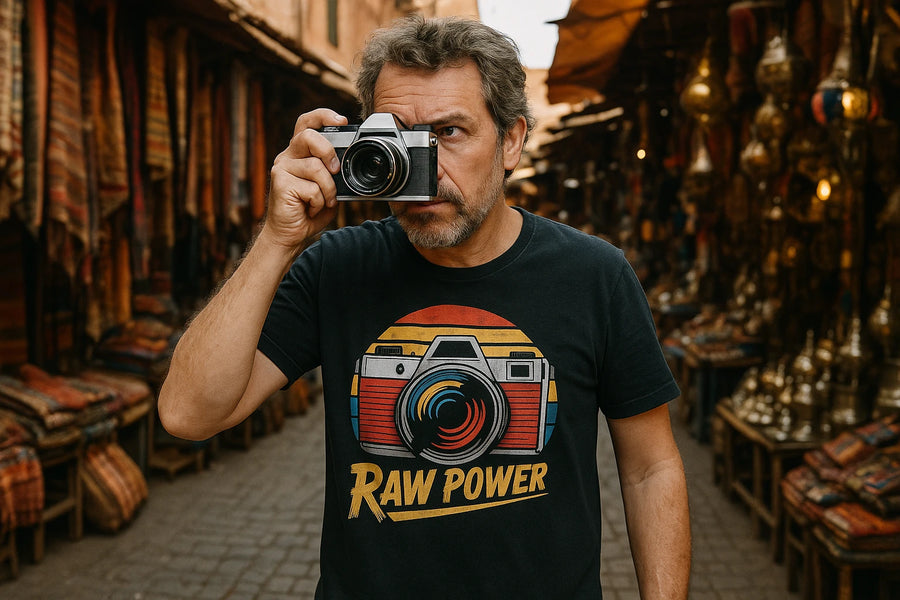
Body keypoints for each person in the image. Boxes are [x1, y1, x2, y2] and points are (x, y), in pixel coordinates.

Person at [158, 15, 691, 600]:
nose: (424, 171)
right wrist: (277, 240)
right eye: (401, 140)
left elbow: (649, 470)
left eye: (450, 133)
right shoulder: (337, 268)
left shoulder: (595, 275)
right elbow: (188, 415)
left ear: (511, 141)